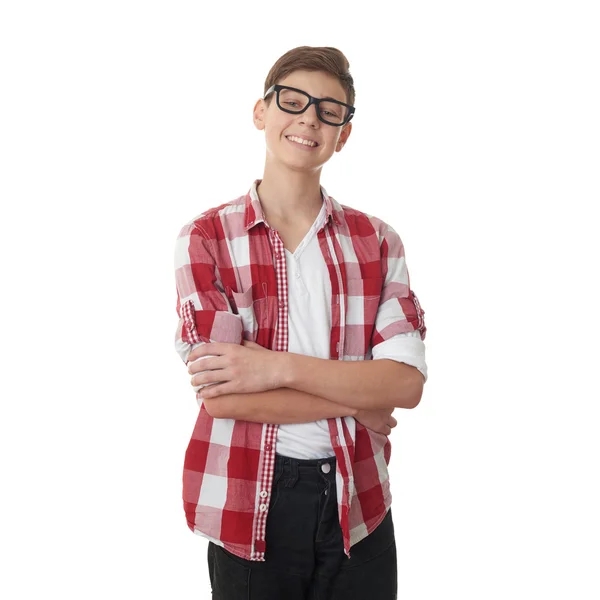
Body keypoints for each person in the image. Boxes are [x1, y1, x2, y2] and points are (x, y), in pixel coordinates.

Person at [173, 45, 428, 600]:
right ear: (262, 112)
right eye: (293, 101)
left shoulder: (378, 241)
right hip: (249, 502)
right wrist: (359, 398)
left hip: (358, 498)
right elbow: (224, 399)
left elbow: (404, 385)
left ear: (344, 134)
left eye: (329, 109)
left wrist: (273, 367)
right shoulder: (206, 239)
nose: (309, 117)